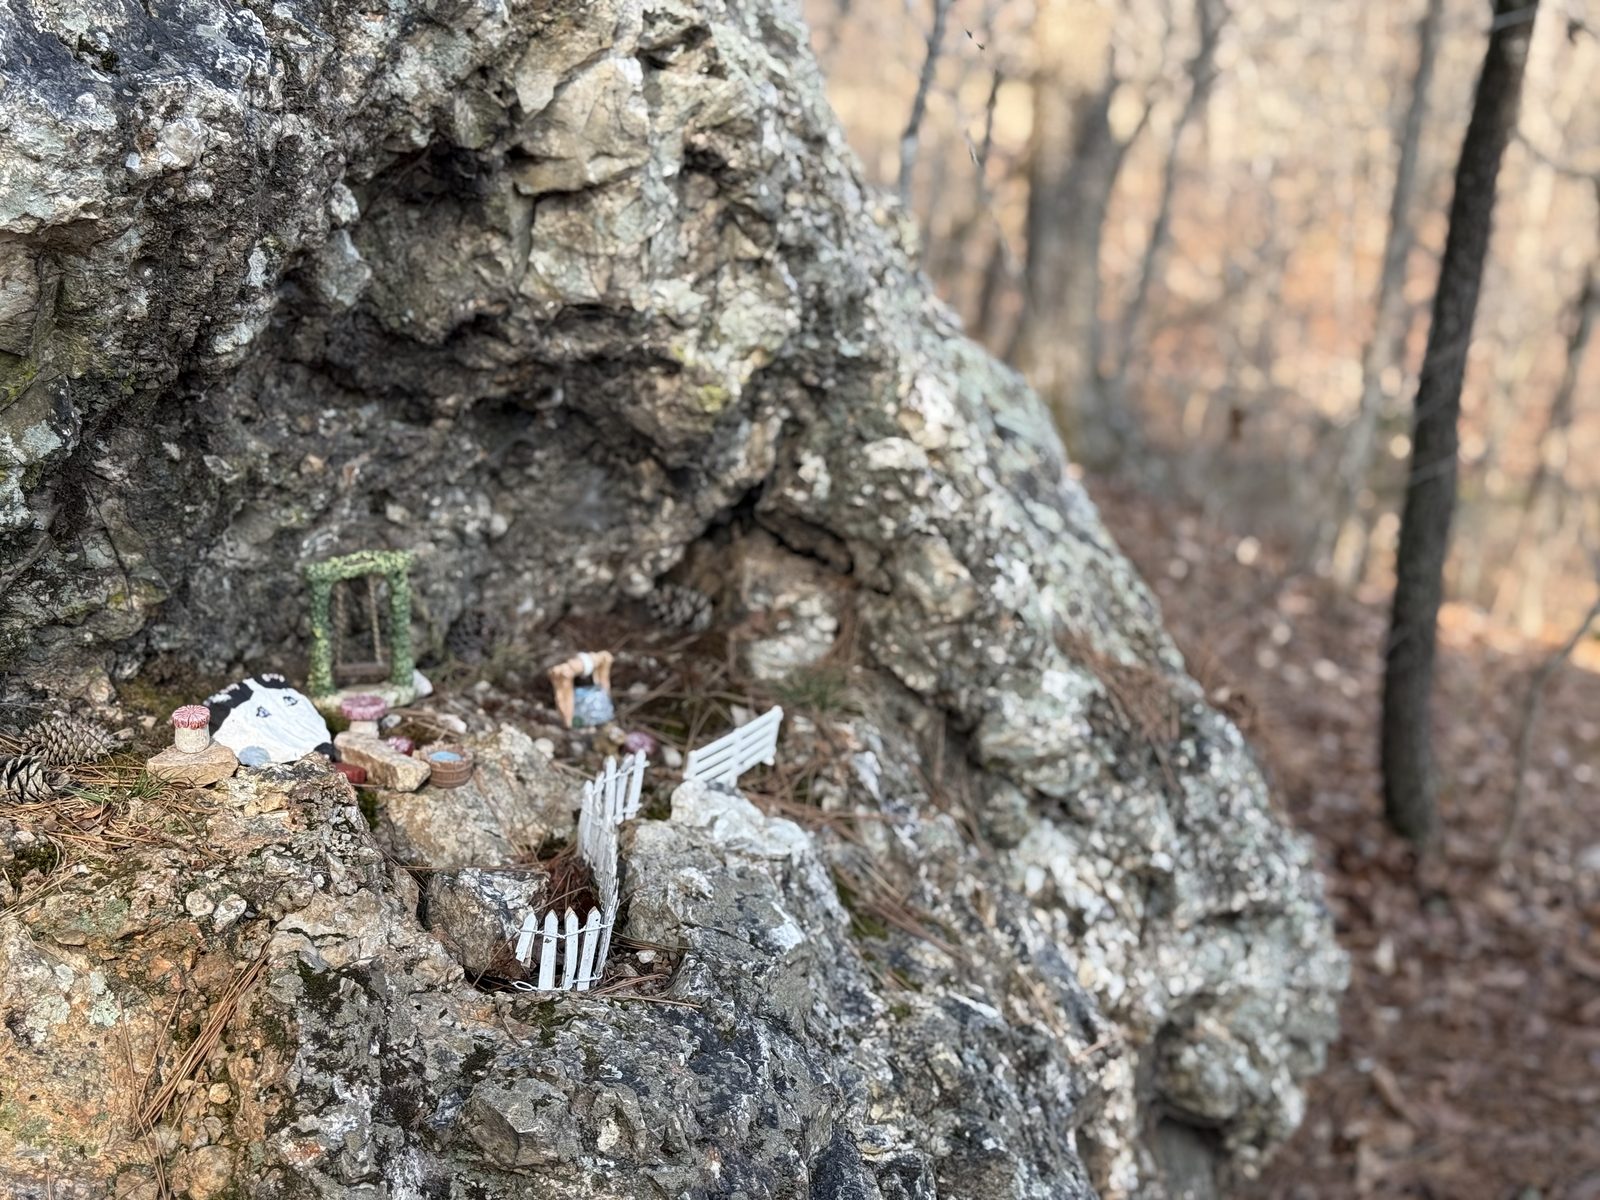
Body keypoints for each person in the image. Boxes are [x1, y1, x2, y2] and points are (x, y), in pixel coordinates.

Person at [548, 651, 615, 728]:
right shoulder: (565, 675)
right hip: (582, 720)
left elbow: (606, 658)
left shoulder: (597, 678)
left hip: (601, 717)